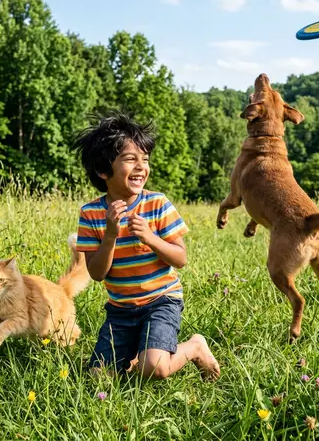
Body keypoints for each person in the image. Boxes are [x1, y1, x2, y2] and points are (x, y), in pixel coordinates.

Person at [73, 111, 220, 381]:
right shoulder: (91, 214)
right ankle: (134, 354)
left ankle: (194, 347)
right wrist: (110, 236)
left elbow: (180, 259)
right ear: (104, 170)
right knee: (98, 376)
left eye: (145, 159)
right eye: (130, 159)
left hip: (161, 301)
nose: (141, 166)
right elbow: (96, 274)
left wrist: (151, 238)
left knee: (155, 367)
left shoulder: (157, 204)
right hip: (120, 309)